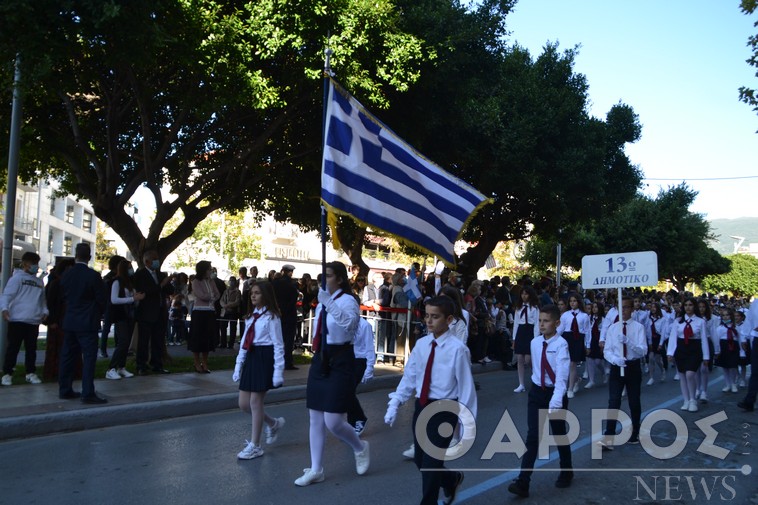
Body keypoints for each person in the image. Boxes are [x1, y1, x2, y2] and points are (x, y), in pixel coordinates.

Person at [384, 296, 476, 505]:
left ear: (449, 319)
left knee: (431, 463)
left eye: (435, 317)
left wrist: (466, 423)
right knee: (420, 460)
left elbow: (466, 389)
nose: (429, 321)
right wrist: (395, 402)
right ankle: (451, 479)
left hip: (445, 410)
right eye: (427, 315)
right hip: (422, 406)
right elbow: (411, 376)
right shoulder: (422, 344)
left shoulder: (457, 349)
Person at [294, 262, 369, 487]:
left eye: (328, 276)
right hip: (321, 358)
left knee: (333, 421)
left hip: (341, 357)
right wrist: (324, 303)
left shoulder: (348, 301)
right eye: (322, 276)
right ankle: (316, 469)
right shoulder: (322, 303)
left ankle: (360, 446)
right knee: (315, 417)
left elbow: (349, 325)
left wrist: (328, 303)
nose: (323, 280)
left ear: (340, 278)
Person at [507, 304, 573, 498]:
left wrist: (556, 401)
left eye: (546, 321)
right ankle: (523, 482)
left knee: (559, 433)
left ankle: (567, 471)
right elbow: (535, 368)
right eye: (540, 321)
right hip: (537, 393)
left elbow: (562, 376)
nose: (542, 324)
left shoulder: (562, 345)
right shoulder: (535, 343)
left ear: (557, 323)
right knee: (533, 436)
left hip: (555, 393)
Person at [233, 281, 285, 460]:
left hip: (265, 358)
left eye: (257, 293)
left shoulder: (272, 317)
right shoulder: (251, 316)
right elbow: (244, 343)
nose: (253, 296)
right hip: (252, 357)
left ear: (266, 295)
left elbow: (278, 345)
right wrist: (238, 364)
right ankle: (273, 423)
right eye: (252, 293)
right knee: (244, 404)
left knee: (255, 402)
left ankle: (255, 445)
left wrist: (278, 370)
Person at [58, 243, 108, 404]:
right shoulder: (93, 275)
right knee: (89, 358)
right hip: (88, 322)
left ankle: (64, 389)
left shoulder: (67, 274)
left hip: (70, 320)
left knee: (67, 356)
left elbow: (62, 296)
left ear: (75, 255)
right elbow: (101, 299)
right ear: (90, 257)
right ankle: (88, 392)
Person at [598, 297, 647, 449]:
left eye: (626, 307)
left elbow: (642, 350)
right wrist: (615, 360)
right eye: (621, 308)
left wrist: (628, 342)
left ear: (632, 309)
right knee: (614, 401)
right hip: (617, 367)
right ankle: (609, 436)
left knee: (633, 401)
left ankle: (635, 432)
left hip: (632, 366)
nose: (624, 311)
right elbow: (607, 351)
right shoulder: (613, 328)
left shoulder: (638, 327)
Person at [1, 252, 48, 386]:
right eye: (33, 263)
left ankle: (30, 373)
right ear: (25, 264)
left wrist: (45, 311)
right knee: (13, 348)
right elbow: (7, 295)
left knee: (31, 349)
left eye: (36, 263)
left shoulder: (39, 282)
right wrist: (4, 309)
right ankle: (7, 373)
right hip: (17, 319)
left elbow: (42, 300)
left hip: (33, 320)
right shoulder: (16, 279)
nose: (35, 266)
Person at [133, 250, 174, 374]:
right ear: (147, 261)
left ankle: (157, 364)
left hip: (161, 312)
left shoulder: (161, 274)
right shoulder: (140, 275)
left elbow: (170, 290)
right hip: (146, 312)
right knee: (144, 341)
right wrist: (161, 285)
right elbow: (145, 292)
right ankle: (141, 365)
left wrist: (168, 282)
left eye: (157, 259)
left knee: (158, 340)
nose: (157, 262)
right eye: (154, 259)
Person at [666, 298, 709, 412]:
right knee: (682, 376)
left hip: (694, 349)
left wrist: (706, 356)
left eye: (690, 305)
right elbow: (673, 337)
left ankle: (693, 399)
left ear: (694, 306)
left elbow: (704, 339)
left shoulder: (701, 321)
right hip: (681, 349)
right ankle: (686, 400)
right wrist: (670, 353)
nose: (688, 307)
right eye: (686, 305)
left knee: (690, 374)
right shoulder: (678, 321)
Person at [105, 260, 145, 380]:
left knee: (126, 343)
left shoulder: (130, 283)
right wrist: (132, 299)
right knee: (123, 341)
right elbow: (114, 299)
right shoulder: (116, 282)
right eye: (129, 268)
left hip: (130, 315)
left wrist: (137, 298)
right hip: (120, 315)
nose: (131, 270)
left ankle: (121, 367)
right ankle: (111, 368)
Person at [557, 292, 590, 398]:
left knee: (572, 363)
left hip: (578, 339)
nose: (572, 303)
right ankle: (576, 379)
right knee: (566, 364)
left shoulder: (584, 316)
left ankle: (570, 388)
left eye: (574, 301)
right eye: (571, 301)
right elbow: (561, 328)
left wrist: (587, 345)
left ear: (578, 302)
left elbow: (587, 331)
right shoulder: (565, 315)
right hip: (567, 338)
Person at [189, 260, 220, 373]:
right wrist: (211, 296)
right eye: (209, 269)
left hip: (210, 311)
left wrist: (210, 296)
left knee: (207, 338)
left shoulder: (211, 281)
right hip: (199, 312)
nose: (210, 271)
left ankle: (205, 363)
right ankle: (196, 363)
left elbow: (217, 294)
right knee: (198, 338)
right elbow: (201, 296)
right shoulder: (196, 281)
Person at [347, 317, 376, 435]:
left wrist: (369, 369)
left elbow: (370, 348)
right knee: (345, 392)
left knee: (348, 391)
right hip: (347, 359)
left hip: (360, 361)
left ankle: (360, 418)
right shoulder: (345, 322)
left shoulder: (365, 326)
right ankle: (352, 423)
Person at [512, 286, 540, 393]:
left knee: (528, 360)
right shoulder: (518, 307)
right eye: (522, 294)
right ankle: (521, 384)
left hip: (530, 331)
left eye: (526, 294)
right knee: (520, 359)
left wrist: (536, 339)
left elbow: (537, 323)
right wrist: (514, 338)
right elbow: (516, 323)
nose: (524, 296)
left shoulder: (535, 308)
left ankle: (536, 377)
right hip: (521, 331)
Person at [272, 264, 299, 370]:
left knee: (276, 338)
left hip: (277, 313)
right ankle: (287, 362)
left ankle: (275, 361)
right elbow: (294, 299)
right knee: (288, 340)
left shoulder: (275, 283)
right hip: (289, 314)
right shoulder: (293, 284)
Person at [99, 255, 125, 358]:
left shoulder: (111, 277)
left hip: (113, 306)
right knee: (107, 328)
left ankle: (112, 348)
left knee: (110, 328)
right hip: (111, 306)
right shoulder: (110, 278)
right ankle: (103, 349)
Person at [714, 306, 740, 394]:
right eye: (723, 315)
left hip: (733, 347)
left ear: (731, 316)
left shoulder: (735, 327)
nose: (725, 317)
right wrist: (717, 351)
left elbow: (740, 339)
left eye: (727, 315)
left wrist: (742, 351)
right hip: (724, 347)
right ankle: (727, 384)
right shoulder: (720, 328)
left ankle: (733, 383)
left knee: (733, 366)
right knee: (725, 367)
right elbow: (717, 340)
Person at [646, 302, 670, 385]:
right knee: (651, 358)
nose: (653, 309)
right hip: (652, 340)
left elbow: (663, 332)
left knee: (657, 359)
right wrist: (649, 342)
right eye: (651, 307)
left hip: (659, 339)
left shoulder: (662, 319)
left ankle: (662, 370)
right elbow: (648, 331)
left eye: (655, 307)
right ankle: (651, 377)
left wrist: (661, 343)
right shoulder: (649, 319)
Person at [220, 277, 241, 349]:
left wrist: (228, 305)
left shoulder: (237, 291)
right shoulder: (226, 291)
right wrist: (224, 305)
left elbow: (237, 302)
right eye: (230, 281)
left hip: (233, 312)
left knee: (233, 328)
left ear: (235, 282)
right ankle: (223, 343)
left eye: (233, 281)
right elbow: (221, 300)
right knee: (223, 327)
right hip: (225, 312)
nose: (231, 282)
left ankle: (231, 344)